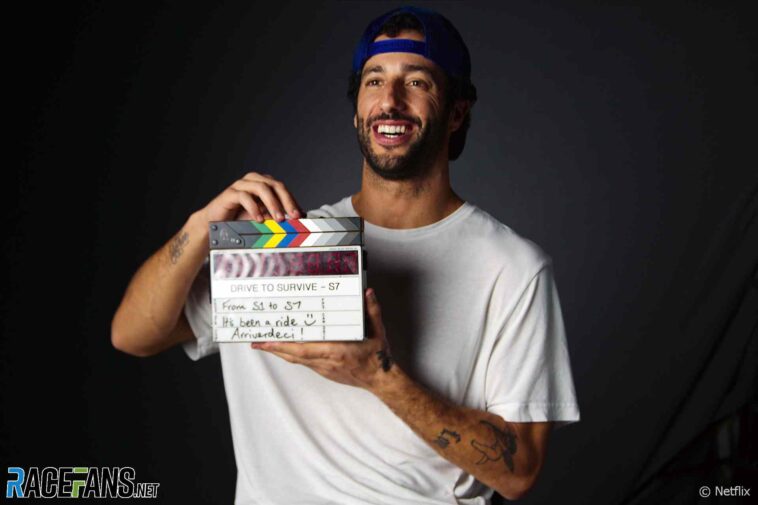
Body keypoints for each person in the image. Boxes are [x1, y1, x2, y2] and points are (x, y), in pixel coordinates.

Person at [111, 5, 580, 503]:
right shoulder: (278, 248)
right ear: (357, 108)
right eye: (374, 81)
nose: (390, 101)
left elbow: (518, 473)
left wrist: (379, 376)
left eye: (416, 82)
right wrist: (199, 228)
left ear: (457, 112)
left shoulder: (512, 268)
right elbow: (131, 335)